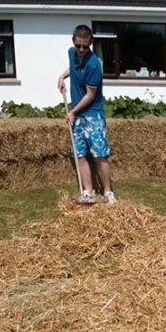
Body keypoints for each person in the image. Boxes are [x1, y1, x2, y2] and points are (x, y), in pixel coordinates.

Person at [57, 24, 116, 204]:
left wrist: (72, 112)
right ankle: (88, 192)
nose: (81, 49)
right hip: (78, 115)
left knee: (99, 155)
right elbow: (72, 67)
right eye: (78, 46)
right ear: (73, 42)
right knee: (80, 154)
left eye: (85, 46)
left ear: (91, 43)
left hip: (92, 114)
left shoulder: (94, 65)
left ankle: (108, 192)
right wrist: (61, 77)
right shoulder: (71, 53)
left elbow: (90, 96)